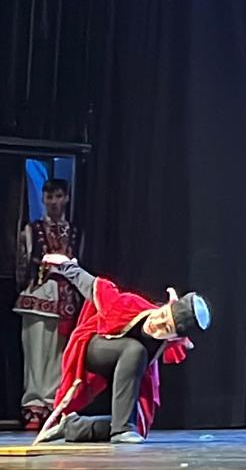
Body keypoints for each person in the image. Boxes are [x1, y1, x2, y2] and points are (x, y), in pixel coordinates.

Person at [35, 254, 210, 444]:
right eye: (162, 315)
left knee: (139, 426)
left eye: (166, 328)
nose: (156, 324)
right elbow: (92, 285)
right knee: (135, 350)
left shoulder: (167, 343)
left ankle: (74, 427)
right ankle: (122, 430)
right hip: (95, 347)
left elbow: (180, 344)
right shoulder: (129, 305)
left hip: (128, 362)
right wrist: (66, 265)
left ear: (173, 337)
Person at [14, 179, 83, 430]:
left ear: (66, 198)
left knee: (60, 355)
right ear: (43, 199)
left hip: (66, 299)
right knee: (35, 353)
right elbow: (21, 265)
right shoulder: (32, 230)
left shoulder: (75, 232)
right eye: (49, 197)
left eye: (58, 196)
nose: (54, 202)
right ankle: (33, 404)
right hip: (38, 296)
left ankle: (54, 403)